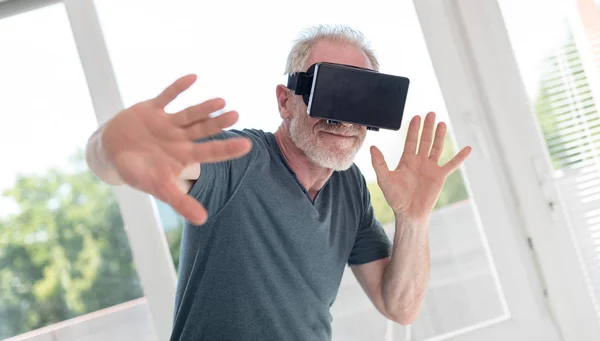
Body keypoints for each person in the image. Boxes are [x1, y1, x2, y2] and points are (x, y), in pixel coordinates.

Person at [85, 25, 471, 341]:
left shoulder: (350, 187)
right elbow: (131, 161)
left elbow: (400, 307)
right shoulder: (239, 158)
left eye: (361, 99)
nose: (346, 119)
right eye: (332, 92)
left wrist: (414, 218)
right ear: (286, 101)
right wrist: (113, 145)